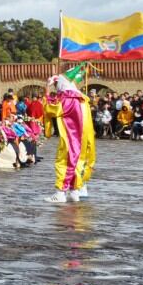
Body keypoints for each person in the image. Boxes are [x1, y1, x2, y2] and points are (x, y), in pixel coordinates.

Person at [42, 72, 96, 204]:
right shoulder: (83, 100)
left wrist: (47, 90)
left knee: (65, 162)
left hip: (71, 137)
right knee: (78, 163)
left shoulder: (67, 99)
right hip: (83, 139)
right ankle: (74, 192)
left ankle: (60, 193)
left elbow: (51, 109)